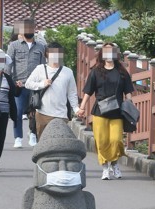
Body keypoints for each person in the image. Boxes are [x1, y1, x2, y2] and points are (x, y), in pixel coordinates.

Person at [77, 43, 134, 180]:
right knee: (101, 141)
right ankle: (105, 168)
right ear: (102, 54)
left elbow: (128, 91)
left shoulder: (122, 72)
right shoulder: (96, 71)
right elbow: (88, 91)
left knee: (116, 140)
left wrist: (129, 105)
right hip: (100, 111)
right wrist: (82, 107)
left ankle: (114, 164)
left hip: (117, 111)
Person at [25, 42, 79, 139]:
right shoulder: (40, 69)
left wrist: (76, 109)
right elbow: (28, 84)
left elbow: (72, 93)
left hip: (61, 115)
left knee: (60, 144)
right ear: (47, 54)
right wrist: (42, 84)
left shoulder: (68, 72)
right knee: (43, 145)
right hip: (43, 114)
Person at [6, 18, 46, 148]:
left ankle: (33, 134)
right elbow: (8, 64)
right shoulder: (14, 45)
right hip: (20, 84)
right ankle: (18, 137)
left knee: (35, 111)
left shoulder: (41, 47)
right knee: (17, 112)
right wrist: (11, 82)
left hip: (35, 85)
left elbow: (44, 66)